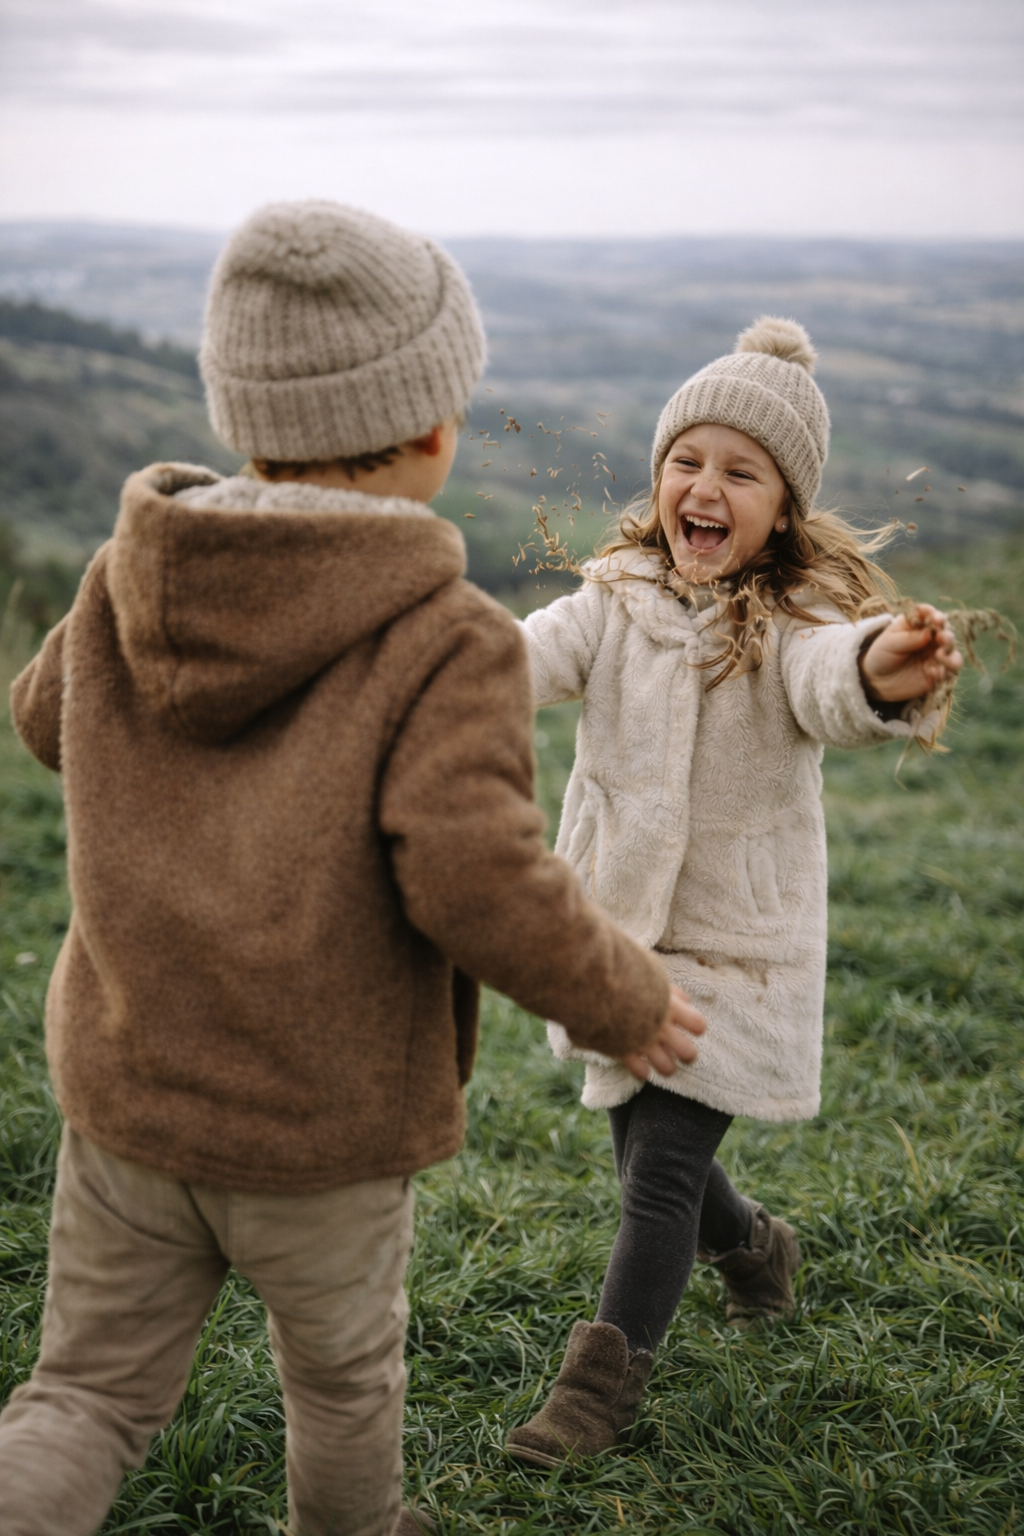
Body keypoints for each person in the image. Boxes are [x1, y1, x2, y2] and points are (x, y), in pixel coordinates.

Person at [0, 201, 706, 1536]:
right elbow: (476, 879)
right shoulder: (446, 637)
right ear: (434, 427)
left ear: (237, 408)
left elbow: (45, 719)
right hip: (320, 1130)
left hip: (128, 1096)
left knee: (83, 1400)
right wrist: (621, 995)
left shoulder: (122, 578)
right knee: (337, 1391)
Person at [505, 316, 963, 1468]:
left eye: (740, 472)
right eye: (685, 460)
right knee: (643, 1149)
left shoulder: (797, 621)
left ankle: (597, 1391)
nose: (704, 488)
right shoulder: (611, 597)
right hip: (619, 932)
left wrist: (880, 668)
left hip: (736, 943)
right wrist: (424, 666)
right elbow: (522, 657)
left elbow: (828, 680)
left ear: (785, 508)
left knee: (659, 1169)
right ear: (659, 477)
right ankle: (756, 1246)